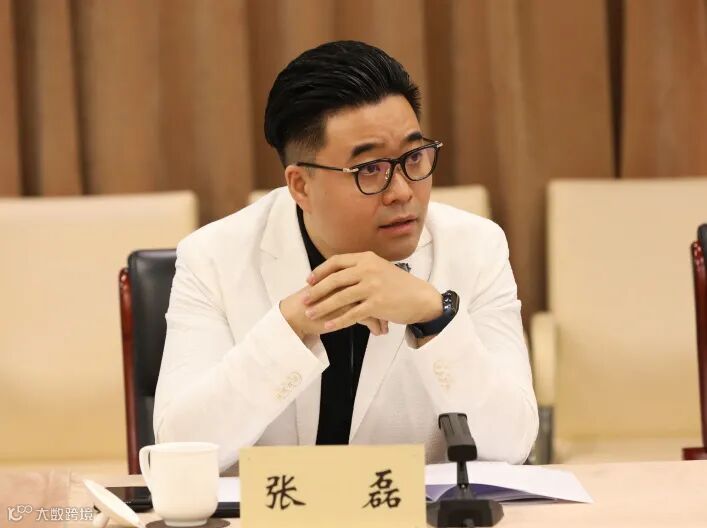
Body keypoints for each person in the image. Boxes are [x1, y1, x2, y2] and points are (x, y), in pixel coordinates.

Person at [154, 40, 538, 472]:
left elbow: (513, 444)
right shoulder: (213, 258)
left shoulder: (476, 248)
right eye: (369, 169)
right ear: (301, 186)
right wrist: (292, 326)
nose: (402, 192)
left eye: (414, 157)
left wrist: (435, 316)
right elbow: (179, 450)